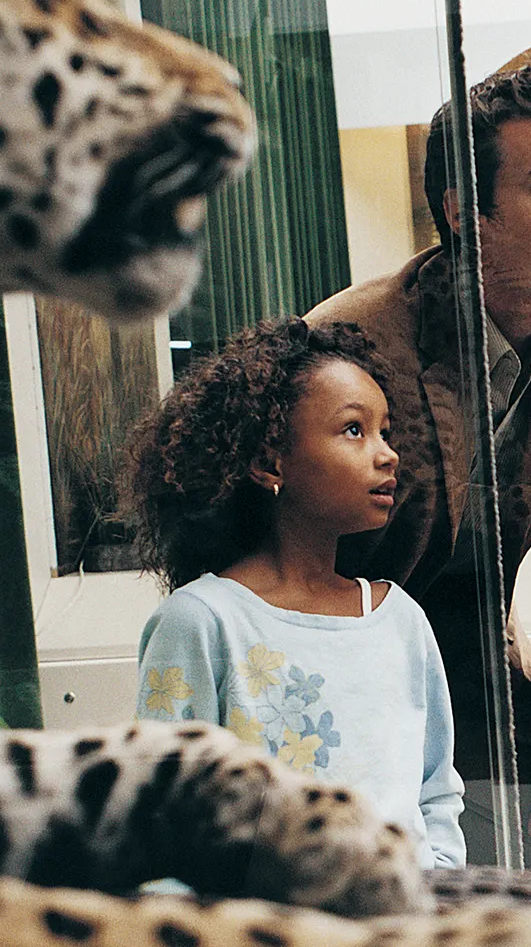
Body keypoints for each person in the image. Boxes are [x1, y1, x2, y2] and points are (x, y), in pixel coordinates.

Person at [307, 61, 531, 851]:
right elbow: (284, 559)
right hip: (345, 667)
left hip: (489, 664)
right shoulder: (354, 342)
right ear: (467, 213)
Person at [124, 317, 465, 869]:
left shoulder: (399, 619)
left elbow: (436, 790)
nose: (387, 454)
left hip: (406, 931)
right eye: (354, 430)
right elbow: (164, 813)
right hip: (274, 943)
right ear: (269, 462)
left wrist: (442, 887)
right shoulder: (203, 622)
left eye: (386, 431)